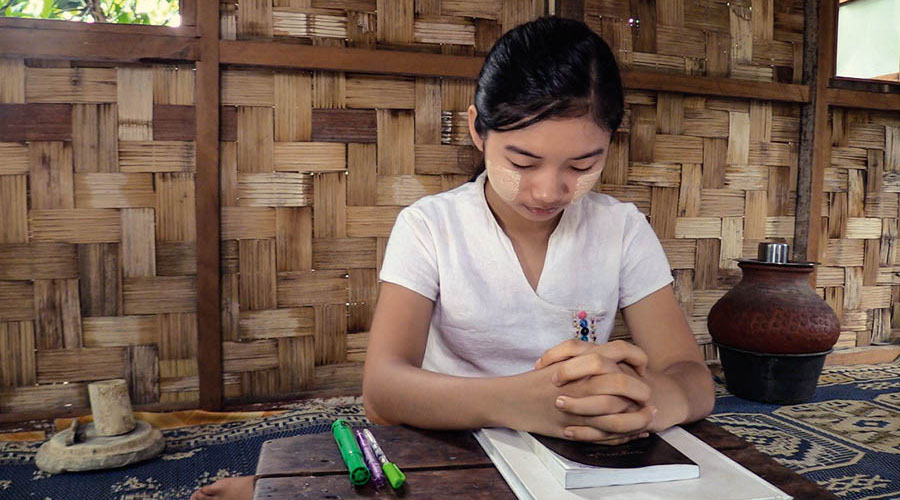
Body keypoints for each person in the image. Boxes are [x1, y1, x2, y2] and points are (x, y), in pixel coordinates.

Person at [191, 15, 714, 500]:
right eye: (522, 162)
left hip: (574, 453)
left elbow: (691, 377)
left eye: (581, 166)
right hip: (447, 445)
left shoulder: (621, 230)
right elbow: (383, 390)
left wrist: (643, 404)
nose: (547, 190)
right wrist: (523, 402)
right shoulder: (430, 227)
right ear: (477, 129)